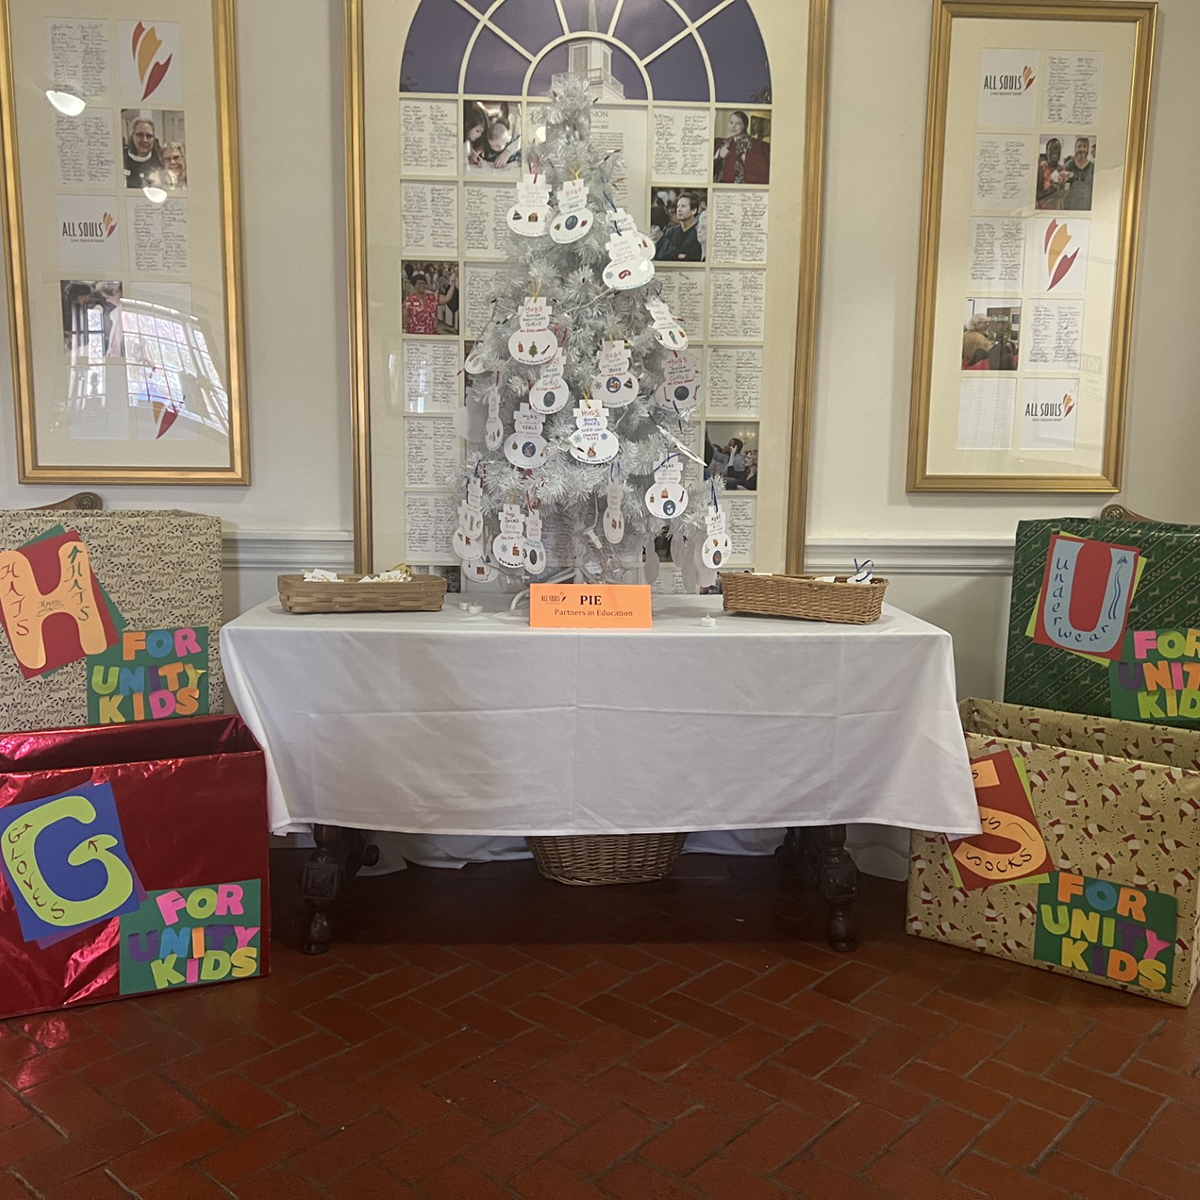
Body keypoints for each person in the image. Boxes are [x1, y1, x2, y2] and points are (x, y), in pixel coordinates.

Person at [713, 110, 770, 184]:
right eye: (731, 122)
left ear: (745, 125)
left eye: (738, 123)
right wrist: (719, 155)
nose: (733, 126)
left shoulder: (758, 145)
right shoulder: (722, 143)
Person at [402, 268, 457, 335]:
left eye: (423, 283)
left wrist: (453, 282)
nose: (422, 285)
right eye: (419, 283)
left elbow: (447, 298)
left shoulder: (432, 297)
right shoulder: (409, 300)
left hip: (431, 334)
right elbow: (405, 318)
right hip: (414, 334)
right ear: (414, 286)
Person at [654, 192, 702, 262]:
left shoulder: (699, 232)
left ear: (693, 210)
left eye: (683, 206)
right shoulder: (671, 232)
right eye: (678, 206)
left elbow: (694, 257)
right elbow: (663, 256)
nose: (679, 210)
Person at [123, 117, 167, 190]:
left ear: (154, 139)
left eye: (149, 136)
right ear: (132, 136)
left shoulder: (161, 161)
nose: (144, 140)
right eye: (140, 135)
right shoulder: (121, 158)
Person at [1036, 137, 1070, 209]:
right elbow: (1036, 194)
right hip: (1043, 210)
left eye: (1057, 149)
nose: (1054, 152)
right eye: (1050, 149)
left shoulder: (1063, 169)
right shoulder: (1041, 168)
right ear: (1046, 151)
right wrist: (1054, 193)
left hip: (1058, 209)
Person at [1063, 136, 1094, 210]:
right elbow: (1062, 184)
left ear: (1087, 149)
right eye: (1079, 146)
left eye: (1084, 146)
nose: (1082, 149)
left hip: (1087, 205)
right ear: (1075, 148)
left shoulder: (1093, 167)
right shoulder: (1069, 165)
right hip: (1070, 205)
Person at [463, 102, 487, 168]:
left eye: (481, 133)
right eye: (477, 131)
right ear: (468, 126)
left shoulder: (470, 143)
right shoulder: (463, 143)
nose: (479, 135)